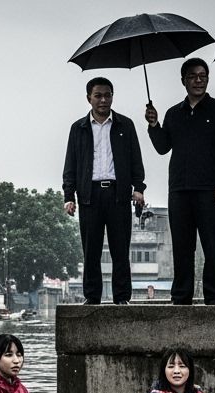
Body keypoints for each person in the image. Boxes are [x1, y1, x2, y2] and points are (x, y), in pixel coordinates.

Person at [146, 59, 215, 304]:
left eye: (203, 76)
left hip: (210, 190)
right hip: (179, 190)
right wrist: (154, 125)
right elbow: (163, 147)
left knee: (213, 247)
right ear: (183, 80)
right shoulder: (174, 113)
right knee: (182, 248)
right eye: (193, 76)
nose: (199, 80)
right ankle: (181, 297)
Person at [62, 76, 147, 304]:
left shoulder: (125, 125)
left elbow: (135, 159)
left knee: (121, 249)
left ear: (112, 97)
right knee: (91, 251)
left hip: (118, 194)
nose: (103, 100)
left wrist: (138, 187)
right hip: (89, 195)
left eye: (107, 95)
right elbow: (71, 165)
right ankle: (92, 297)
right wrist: (69, 196)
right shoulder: (78, 128)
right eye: (98, 95)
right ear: (89, 98)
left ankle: (122, 298)